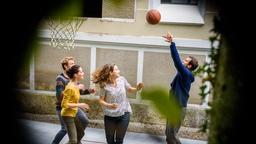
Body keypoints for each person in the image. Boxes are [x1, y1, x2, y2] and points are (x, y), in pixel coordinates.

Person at [92, 64, 144, 144]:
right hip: (110, 116)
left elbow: (129, 89)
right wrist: (109, 105)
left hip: (124, 113)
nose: (119, 71)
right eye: (116, 69)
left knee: (119, 140)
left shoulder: (122, 79)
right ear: (110, 72)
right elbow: (101, 100)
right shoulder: (104, 85)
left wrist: (137, 88)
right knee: (110, 141)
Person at [163, 32, 199, 144]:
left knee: (172, 136)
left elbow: (177, 62)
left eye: (186, 61)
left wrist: (172, 43)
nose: (183, 61)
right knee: (168, 135)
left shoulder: (187, 74)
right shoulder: (183, 74)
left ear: (189, 66)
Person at [52, 57, 95, 144]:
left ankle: (75, 141)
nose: (74, 65)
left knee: (84, 122)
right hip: (62, 107)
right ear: (65, 66)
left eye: (74, 63)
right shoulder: (60, 78)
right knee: (65, 129)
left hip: (73, 107)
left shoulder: (74, 80)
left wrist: (89, 91)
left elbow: (78, 92)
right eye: (71, 63)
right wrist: (74, 89)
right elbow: (60, 96)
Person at [61, 65, 90, 144]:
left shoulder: (75, 86)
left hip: (73, 113)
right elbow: (64, 104)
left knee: (80, 133)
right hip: (67, 115)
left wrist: (82, 106)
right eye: (81, 72)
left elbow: (73, 100)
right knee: (73, 140)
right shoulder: (70, 87)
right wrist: (80, 105)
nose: (83, 73)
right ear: (75, 75)